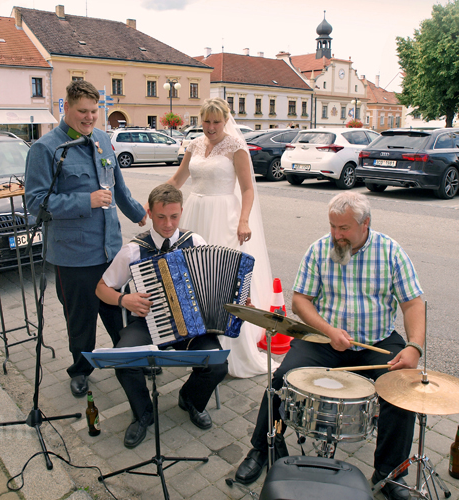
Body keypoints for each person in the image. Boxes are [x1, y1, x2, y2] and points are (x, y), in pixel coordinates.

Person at [234, 191, 425, 500]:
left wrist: (414, 347)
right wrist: (328, 330)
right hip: (324, 339)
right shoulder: (319, 250)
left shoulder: (391, 252)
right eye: (333, 226)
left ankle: (390, 473)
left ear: (365, 224)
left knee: (402, 391)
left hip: (377, 339)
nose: (337, 235)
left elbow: (413, 303)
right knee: (282, 379)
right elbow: (300, 301)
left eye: (344, 228)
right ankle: (261, 448)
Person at [25, 79, 147, 398]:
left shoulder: (103, 140)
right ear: (66, 107)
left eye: (94, 111)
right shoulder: (46, 149)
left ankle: (132, 360)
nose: (90, 117)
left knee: (121, 312)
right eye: (83, 111)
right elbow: (35, 203)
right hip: (73, 255)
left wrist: (138, 214)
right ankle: (80, 369)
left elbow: (118, 185)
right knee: (81, 320)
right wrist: (85, 201)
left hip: (110, 250)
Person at [96, 184, 227, 447]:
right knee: (124, 359)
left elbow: (213, 282)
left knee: (217, 365)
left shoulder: (195, 243)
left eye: (174, 217)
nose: (168, 224)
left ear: (181, 212)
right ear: (150, 213)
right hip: (146, 322)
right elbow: (101, 288)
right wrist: (124, 299)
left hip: (190, 325)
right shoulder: (134, 250)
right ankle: (143, 412)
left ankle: (190, 399)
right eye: (160, 217)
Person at [165, 98, 274, 378]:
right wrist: (154, 201)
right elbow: (178, 180)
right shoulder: (195, 145)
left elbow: (248, 189)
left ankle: (229, 352)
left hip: (224, 216)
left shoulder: (236, 148)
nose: (211, 127)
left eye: (216, 121)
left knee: (223, 283)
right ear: (200, 120)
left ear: (225, 121)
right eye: (206, 121)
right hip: (194, 212)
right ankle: (198, 346)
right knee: (193, 282)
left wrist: (243, 219)